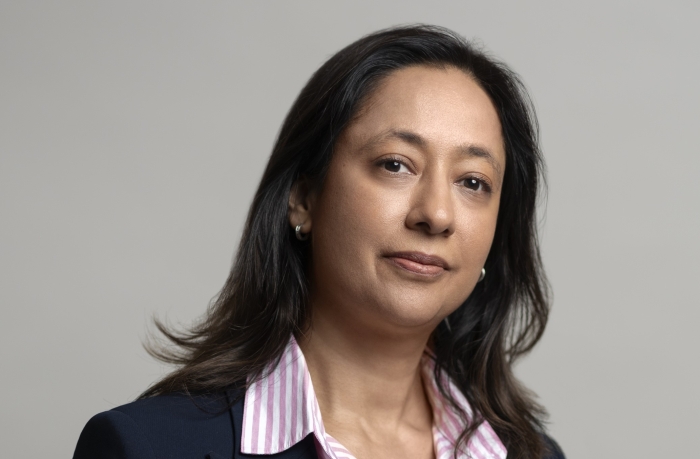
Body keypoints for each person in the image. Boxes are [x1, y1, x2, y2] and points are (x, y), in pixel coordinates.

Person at [74, 24, 565, 459]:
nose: (436, 214)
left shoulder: (533, 454)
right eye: (396, 164)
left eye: (473, 182)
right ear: (304, 198)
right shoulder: (144, 447)